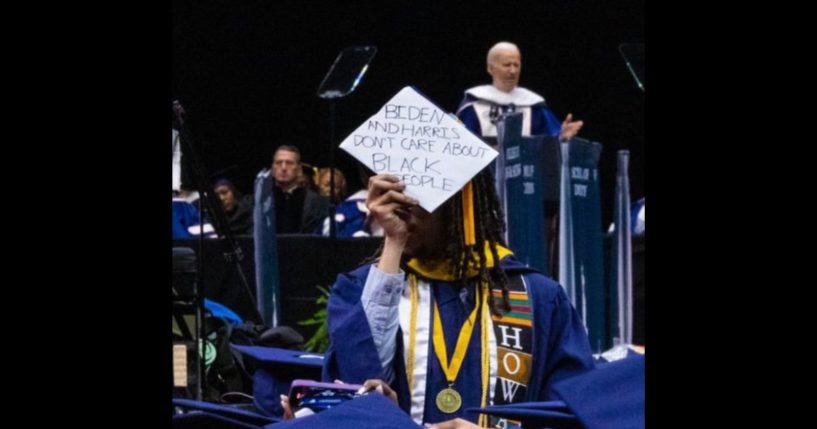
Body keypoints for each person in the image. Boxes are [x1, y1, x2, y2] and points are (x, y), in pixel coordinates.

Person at [320, 167, 595, 427]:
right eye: (394, 193)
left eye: (415, 193)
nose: (401, 206)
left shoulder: (536, 297)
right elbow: (353, 385)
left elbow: (572, 412)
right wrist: (393, 242)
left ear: (460, 201)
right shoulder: (364, 288)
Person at [456, 41, 584, 142]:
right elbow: (463, 143)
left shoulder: (533, 104)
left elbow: (548, 141)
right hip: (485, 173)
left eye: (516, 65)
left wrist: (561, 135)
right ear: (490, 68)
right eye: (507, 65)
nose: (513, 71)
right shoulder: (474, 103)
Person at [269, 145, 329, 234]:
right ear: (272, 168)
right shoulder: (255, 202)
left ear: (299, 169)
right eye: (278, 162)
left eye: (289, 163)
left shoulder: (318, 203)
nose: (283, 168)